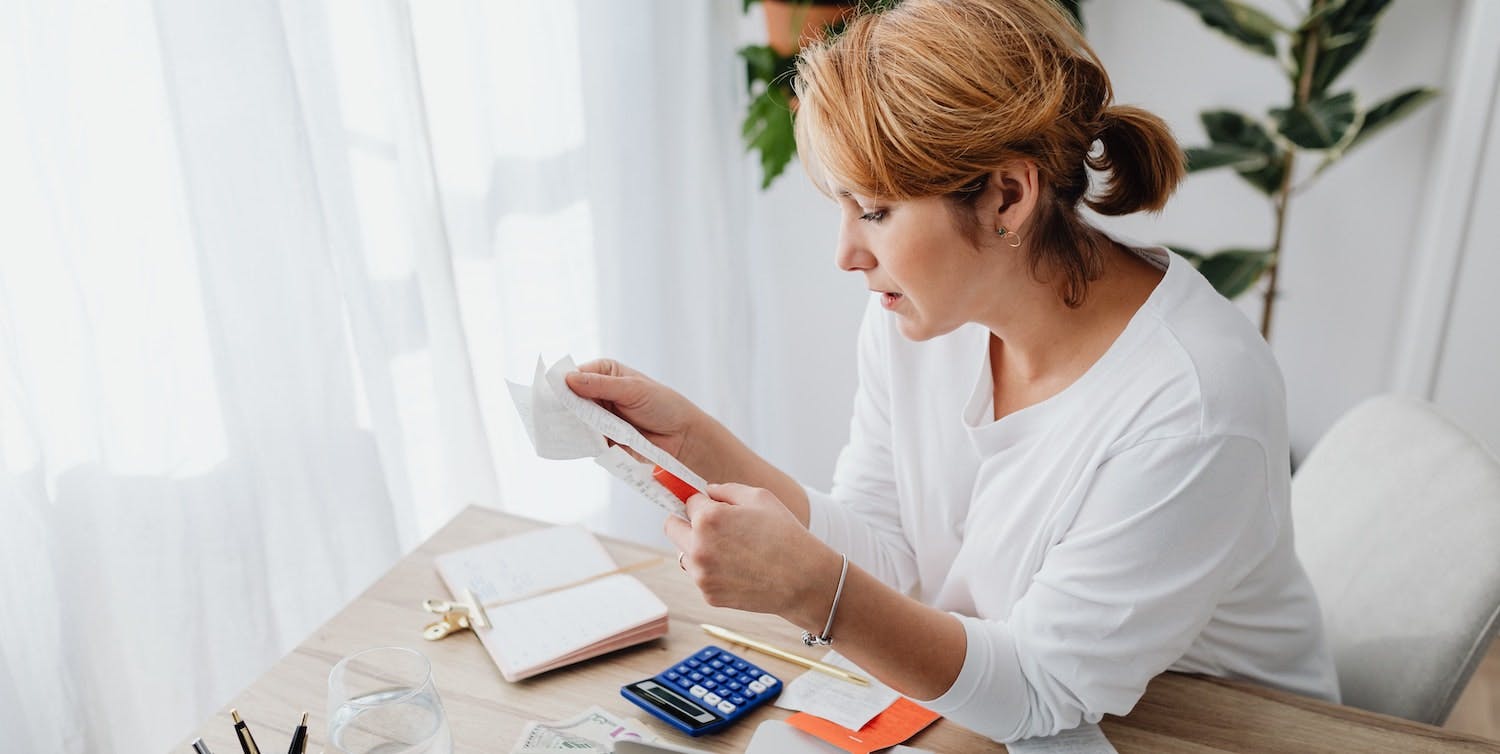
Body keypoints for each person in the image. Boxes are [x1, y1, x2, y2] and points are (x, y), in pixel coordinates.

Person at [565, 0, 1338, 742]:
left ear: (1008, 195)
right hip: (1031, 717)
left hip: (1211, 729)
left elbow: (1044, 690)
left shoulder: (1194, 401)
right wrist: (695, 443)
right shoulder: (919, 318)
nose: (846, 255)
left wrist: (816, 592)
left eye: (874, 211)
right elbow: (890, 557)